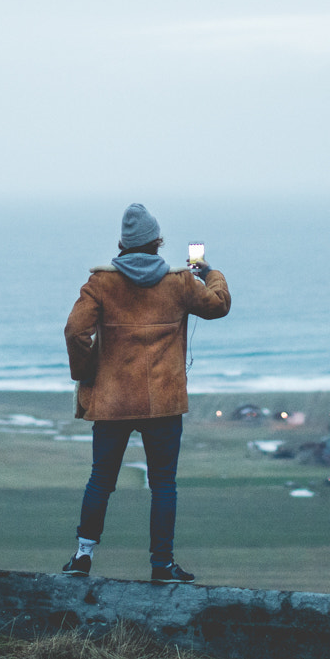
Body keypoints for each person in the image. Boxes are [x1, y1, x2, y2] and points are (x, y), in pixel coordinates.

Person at [61, 203, 231, 583]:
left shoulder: (100, 284)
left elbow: (75, 332)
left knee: (100, 480)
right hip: (164, 404)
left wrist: (87, 374)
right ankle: (162, 565)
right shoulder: (180, 282)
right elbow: (218, 305)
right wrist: (210, 273)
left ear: (123, 244)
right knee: (164, 484)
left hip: (113, 401)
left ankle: (82, 556)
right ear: (157, 242)